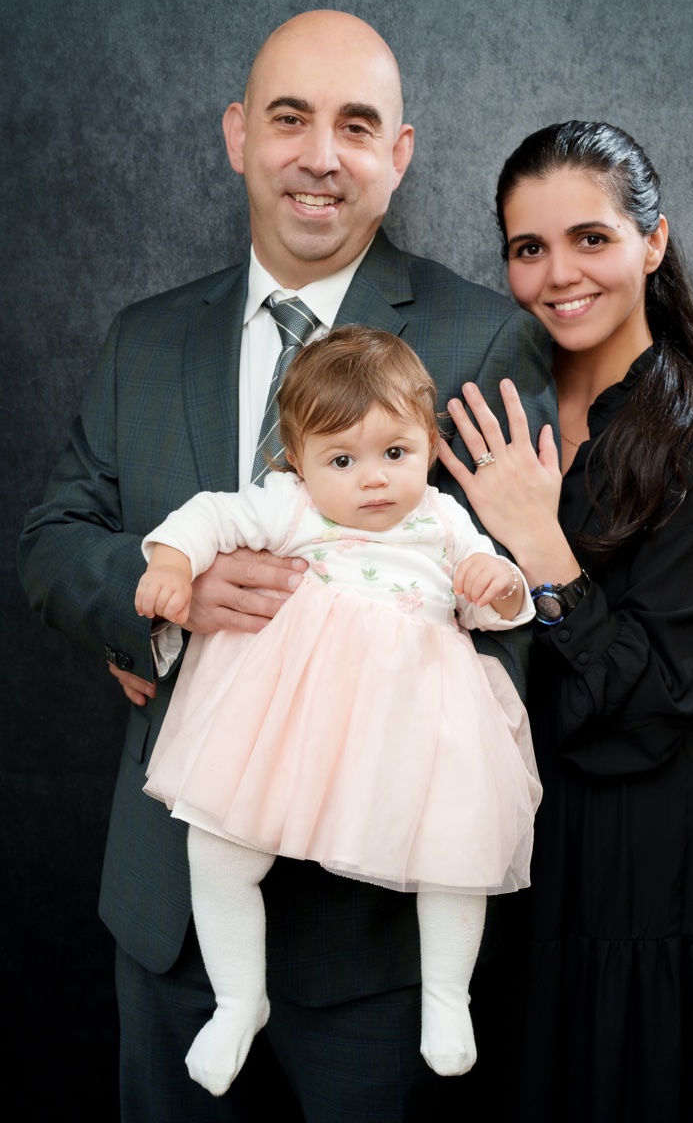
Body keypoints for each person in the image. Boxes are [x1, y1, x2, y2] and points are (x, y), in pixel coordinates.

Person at [16, 11, 557, 1122]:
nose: (320, 154)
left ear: (397, 155)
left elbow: (519, 597)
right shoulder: (143, 339)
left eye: (356, 125)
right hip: (176, 911)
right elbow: (53, 537)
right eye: (288, 118)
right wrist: (160, 613)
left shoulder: (479, 338)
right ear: (236, 136)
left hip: (377, 938)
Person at [439, 121, 693, 1123]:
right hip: (496, 819)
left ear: (650, 245)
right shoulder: (494, 405)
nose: (557, 274)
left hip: (629, 834)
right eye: (528, 249)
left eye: (590, 239)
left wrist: (543, 545)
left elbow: (653, 704)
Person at [135, 326, 542, 1096]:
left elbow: (491, 603)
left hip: (419, 724)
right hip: (294, 724)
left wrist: (501, 583)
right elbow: (211, 515)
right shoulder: (290, 507)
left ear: (428, 441)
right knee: (219, 851)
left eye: (396, 453)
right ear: (297, 463)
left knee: (458, 854)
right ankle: (236, 1000)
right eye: (342, 460)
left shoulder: (442, 520)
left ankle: (446, 998)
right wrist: (170, 560)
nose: (375, 481)